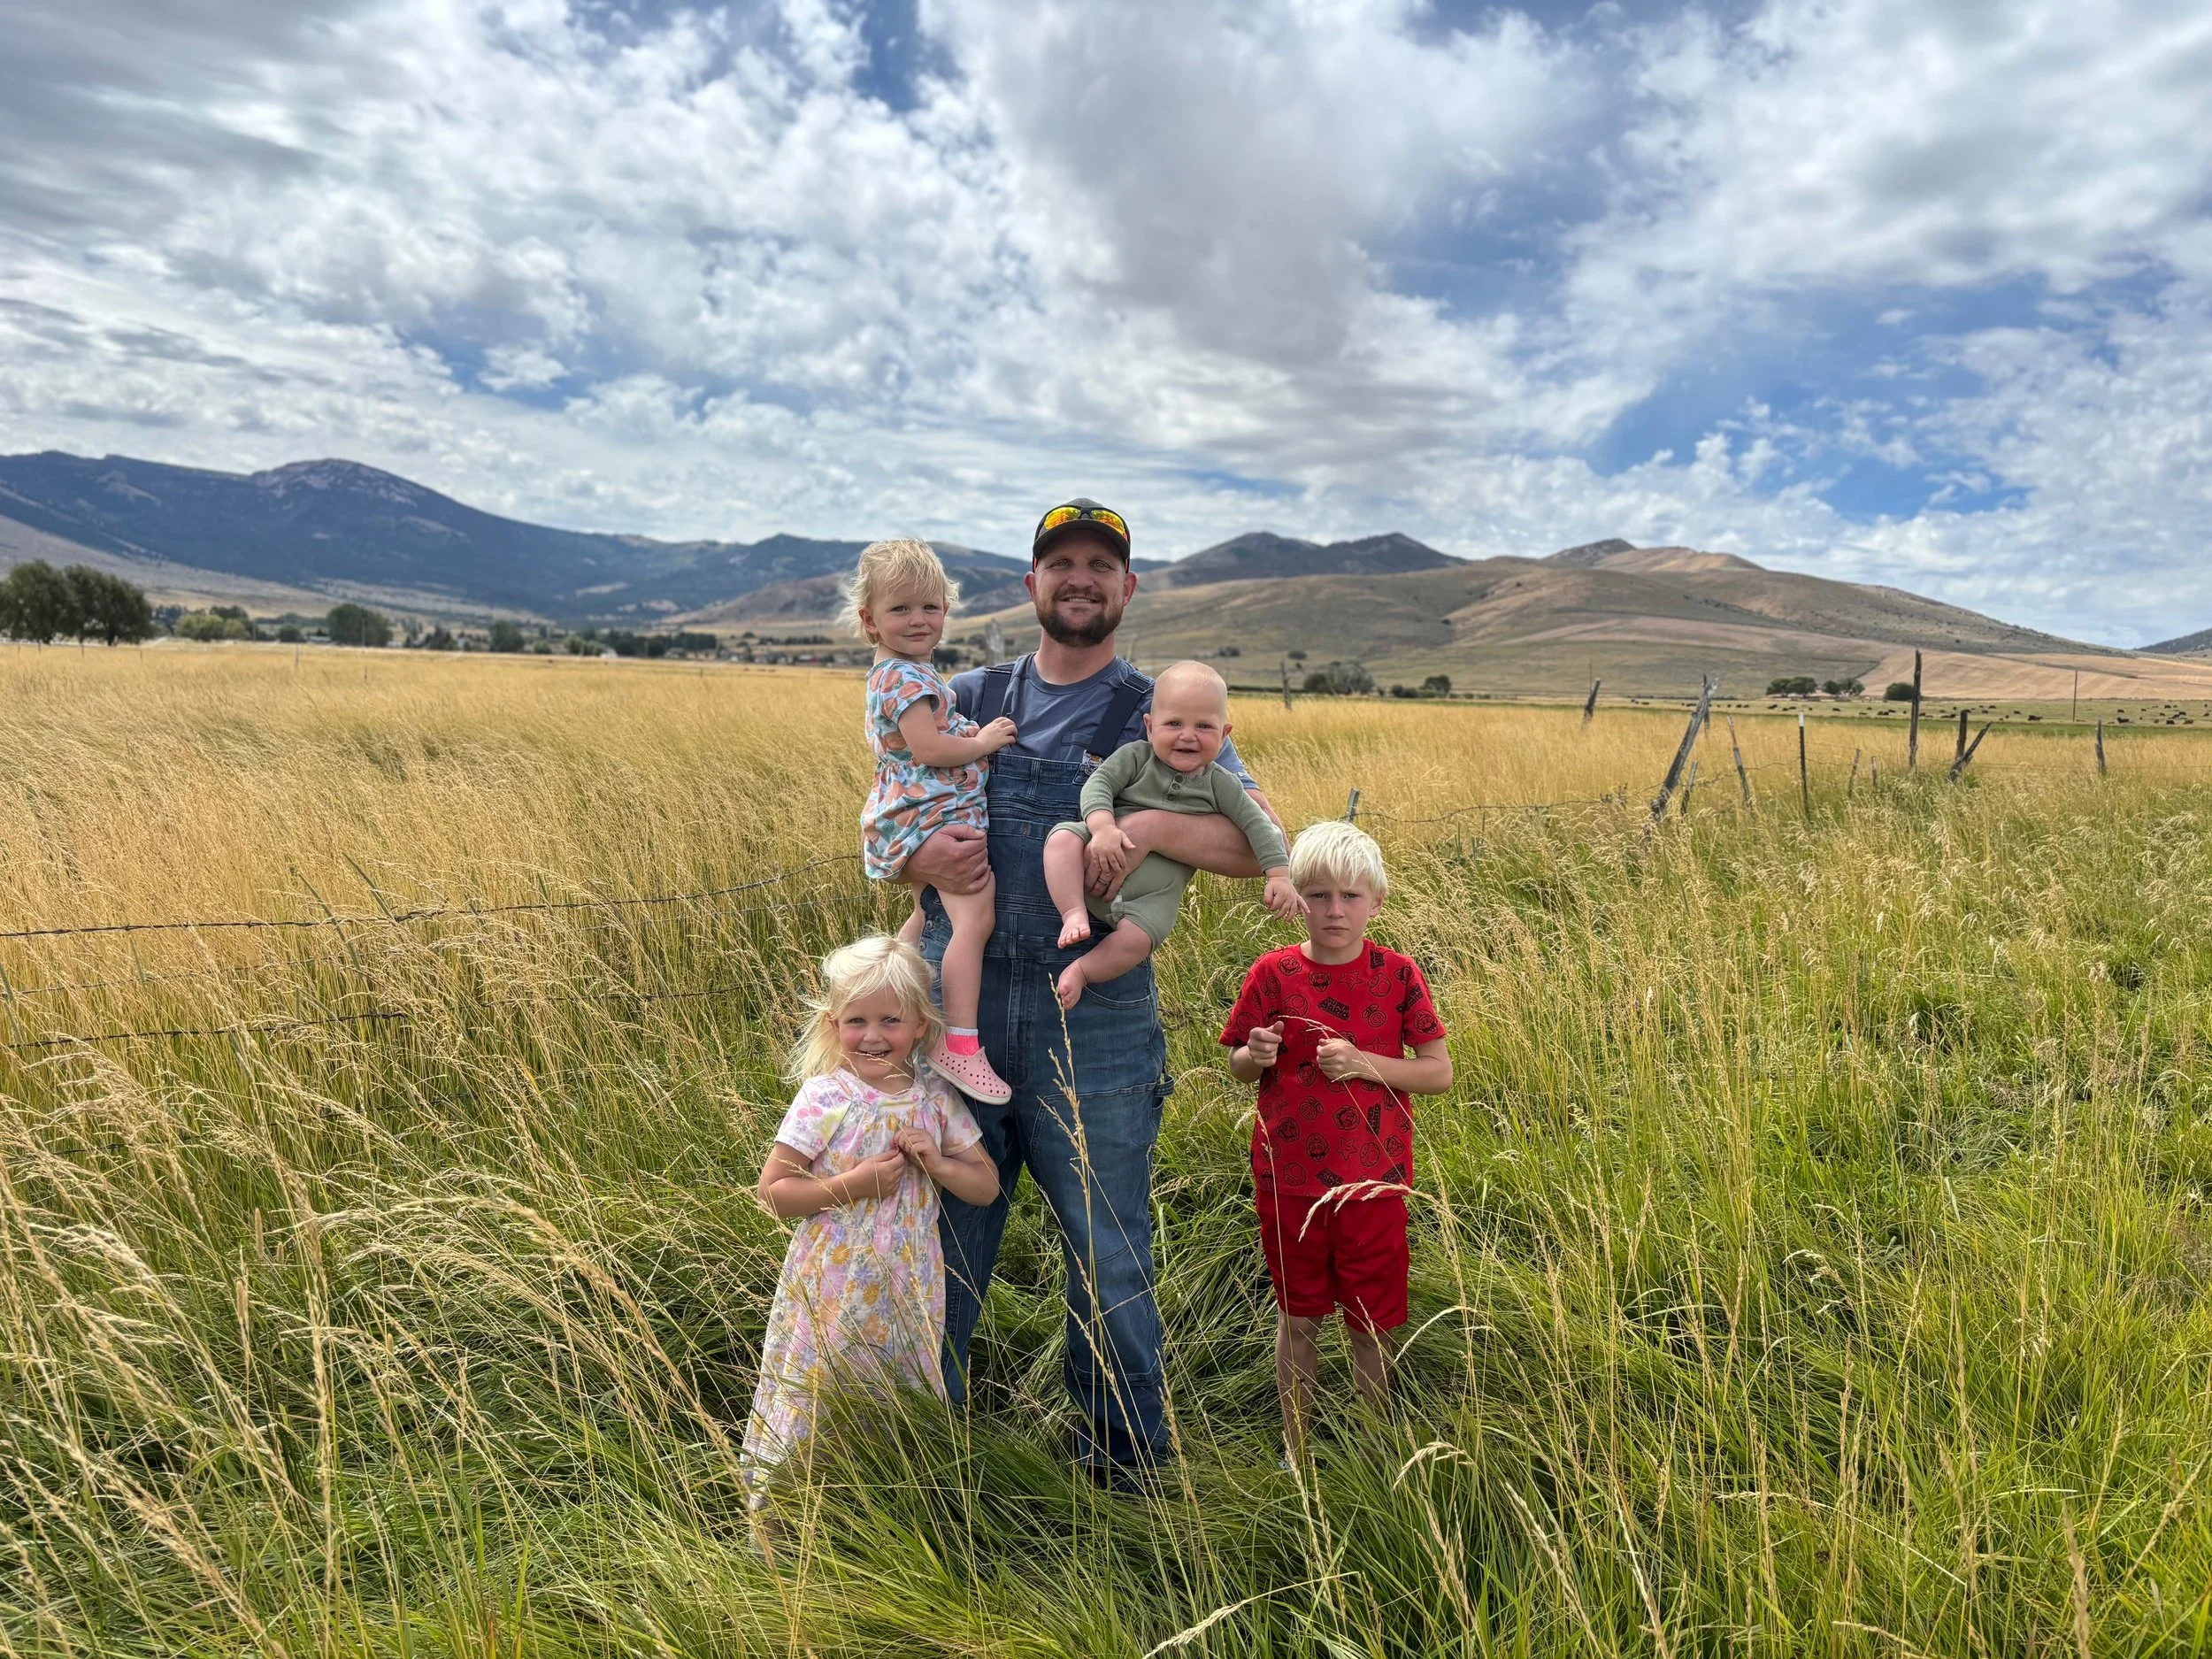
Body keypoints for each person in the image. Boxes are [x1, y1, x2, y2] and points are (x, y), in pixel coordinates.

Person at [905, 497, 1280, 1485]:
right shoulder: (969, 695)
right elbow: (895, 823)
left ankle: (1121, 1467)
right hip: (961, 1010)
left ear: (1127, 587)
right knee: (934, 1242)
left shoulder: (1161, 713)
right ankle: (907, 1452)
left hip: (1096, 1019)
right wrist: (912, 869)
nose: (1080, 578)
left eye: (1099, 565)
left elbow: (1252, 843)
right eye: (1060, 562)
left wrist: (1150, 831)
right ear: (1031, 585)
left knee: (1109, 1253)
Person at [741, 934, 1002, 1516]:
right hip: (831, 1288)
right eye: (857, 1020)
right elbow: (774, 1193)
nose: (874, 1035)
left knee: (893, 1398)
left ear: (919, 1024)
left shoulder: (934, 1099)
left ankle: (879, 1509)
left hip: (908, 1290)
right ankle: (784, 1517)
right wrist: (852, 1184)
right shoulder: (823, 1098)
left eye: (891, 1019)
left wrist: (937, 1161)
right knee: (818, 1395)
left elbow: (985, 1186)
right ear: (835, 1025)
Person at [1218, 820, 1452, 1461]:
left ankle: (1373, 1443)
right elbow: (1238, 1064)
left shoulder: (1398, 974)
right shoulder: (1273, 973)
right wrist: (1255, 1054)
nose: (1334, 910)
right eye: (1318, 895)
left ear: (1376, 901)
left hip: (1373, 1180)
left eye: (1350, 896)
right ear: (1297, 896)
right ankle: (1296, 1447)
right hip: (1287, 1179)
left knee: (1370, 1324)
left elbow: (1438, 1071)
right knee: (1298, 1318)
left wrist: (1363, 1064)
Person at [846, 539, 1019, 1102]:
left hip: (920, 814)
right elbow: (927, 749)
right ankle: (959, 1044)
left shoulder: (903, 673)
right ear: (870, 620)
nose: (918, 619)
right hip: (934, 817)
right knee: (974, 920)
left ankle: (885, 993)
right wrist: (985, 739)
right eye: (900, 609)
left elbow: (927, 735)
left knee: (926, 915)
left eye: (931, 606)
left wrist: (963, 733)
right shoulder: (905, 678)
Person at [1044, 658, 1300, 1009]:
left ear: (1224, 735)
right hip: (1098, 849)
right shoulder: (1136, 757)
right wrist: (1102, 828)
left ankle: (1084, 971)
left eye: (1204, 726)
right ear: (1149, 727)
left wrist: (1280, 875)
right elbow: (1098, 784)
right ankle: (1073, 913)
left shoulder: (1221, 783)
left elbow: (1259, 825)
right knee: (1061, 840)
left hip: (1153, 898)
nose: (1188, 735)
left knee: (1139, 940)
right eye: (1174, 723)